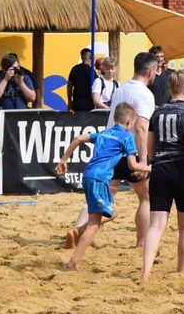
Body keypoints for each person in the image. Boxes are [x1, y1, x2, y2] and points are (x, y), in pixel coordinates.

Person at [63, 52, 157, 250]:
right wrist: (142, 160)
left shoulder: (120, 88)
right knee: (146, 198)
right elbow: (140, 128)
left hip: (109, 151)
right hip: (128, 151)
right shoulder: (146, 94)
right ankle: (140, 243)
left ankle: (77, 230)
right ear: (151, 72)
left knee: (106, 196)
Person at [56, 103, 151, 271]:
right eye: (133, 124)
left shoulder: (104, 133)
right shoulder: (127, 137)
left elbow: (79, 138)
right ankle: (72, 262)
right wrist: (151, 167)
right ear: (129, 121)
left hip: (88, 175)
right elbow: (133, 166)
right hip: (100, 178)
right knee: (94, 223)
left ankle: (79, 231)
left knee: (113, 210)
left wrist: (64, 159)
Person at [141, 71, 184, 281]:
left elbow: (150, 149)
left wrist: (159, 160)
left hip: (160, 168)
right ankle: (180, 272)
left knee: (155, 225)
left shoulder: (157, 113)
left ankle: (146, 271)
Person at [66, 47, 96, 112]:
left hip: (77, 103)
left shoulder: (74, 69)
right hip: (89, 103)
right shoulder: (92, 71)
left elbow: (69, 86)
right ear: (91, 57)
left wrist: (69, 101)